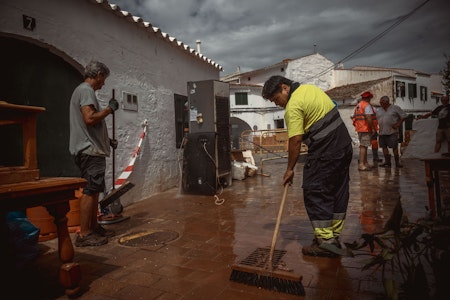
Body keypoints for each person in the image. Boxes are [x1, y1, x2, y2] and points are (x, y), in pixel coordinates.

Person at [262, 75, 353, 258]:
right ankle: (333, 238)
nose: (277, 104)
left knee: (315, 191)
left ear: (284, 88)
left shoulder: (293, 106)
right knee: (337, 191)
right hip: (344, 146)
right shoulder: (310, 90)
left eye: (276, 99)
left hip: (325, 153)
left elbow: (295, 140)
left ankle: (325, 243)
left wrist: (289, 169)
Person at [69, 61, 119, 247]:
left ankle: (93, 227)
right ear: (97, 74)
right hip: (89, 151)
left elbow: (89, 125)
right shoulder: (86, 90)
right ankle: (85, 234)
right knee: (90, 191)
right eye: (103, 79)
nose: (103, 84)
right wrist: (109, 109)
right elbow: (89, 118)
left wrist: (108, 141)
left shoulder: (83, 91)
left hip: (92, 149)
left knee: (94, 190)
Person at [376, 96, 407, 168]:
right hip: (382, 131)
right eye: (380, 103)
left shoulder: (395, 108)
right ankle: (387, 162)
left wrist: (398, 123)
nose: (381, 104)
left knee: (394, 147)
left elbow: (404, 116)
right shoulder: (379, 110)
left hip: (392, 131)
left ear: (387, 102)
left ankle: (397, 162)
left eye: (382, 103)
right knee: (384, 147)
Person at [352, 91, 377, 171]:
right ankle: (361, 164)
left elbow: (353, 117)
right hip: (365, 128)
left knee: (364, 146)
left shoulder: (358, 106)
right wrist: (373, 128)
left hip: (360, 128)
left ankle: (365, 163)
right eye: (370, 98)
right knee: (363, 146)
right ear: (368, 98)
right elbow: (369, 117)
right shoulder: (366, 105)